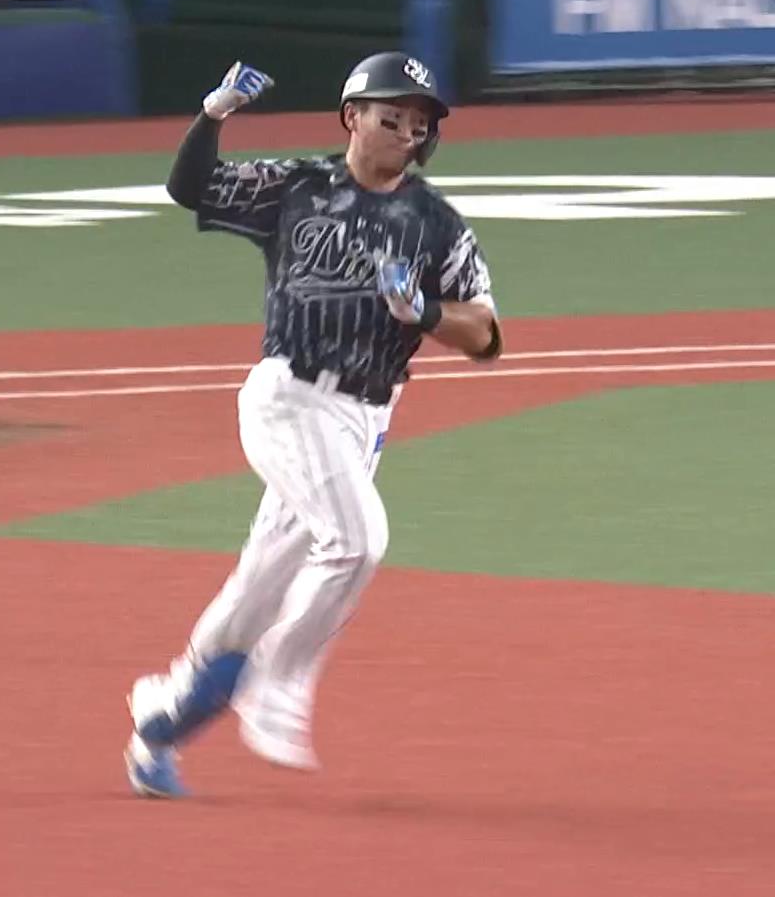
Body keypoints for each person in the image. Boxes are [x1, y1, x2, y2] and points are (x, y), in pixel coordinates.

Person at [123, 51, 504, 799]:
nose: (407, 132)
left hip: (361, 421)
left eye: (418, 123)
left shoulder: (435, 224)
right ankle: (277, 686)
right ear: (352, 116)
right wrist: (213, 114)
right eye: (392, 116)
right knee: (357, 541)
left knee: (254, 597)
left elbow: (487, 336)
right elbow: (190, 187)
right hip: (287, 397)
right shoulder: (294, 187)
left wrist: (425, 312)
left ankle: (161, 721)